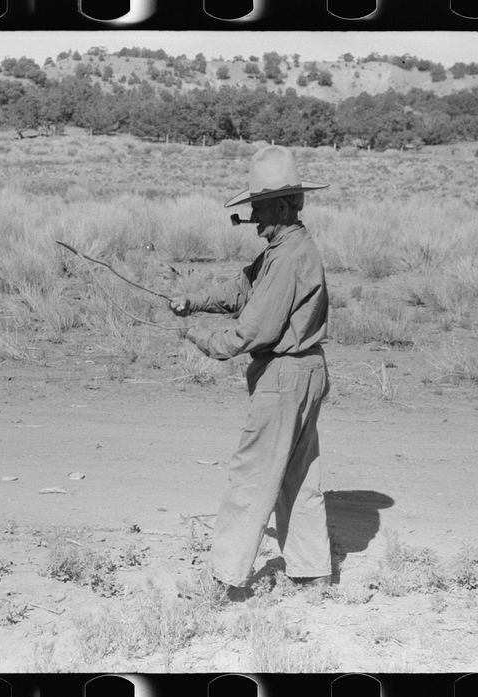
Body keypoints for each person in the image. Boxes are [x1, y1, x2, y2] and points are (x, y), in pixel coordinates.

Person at [170, 145, 333, 596]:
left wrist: (200, 339)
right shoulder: (286, 249)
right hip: (306, 372)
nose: (254, 219)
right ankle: (312, 570)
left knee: (252, 476)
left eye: (260, 208)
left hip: (284, 376)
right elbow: (242, 288)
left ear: (285, 204)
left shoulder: (287, 257)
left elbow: (253, 334)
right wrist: (195, 302)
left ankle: (226, 580)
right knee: (297, 478)